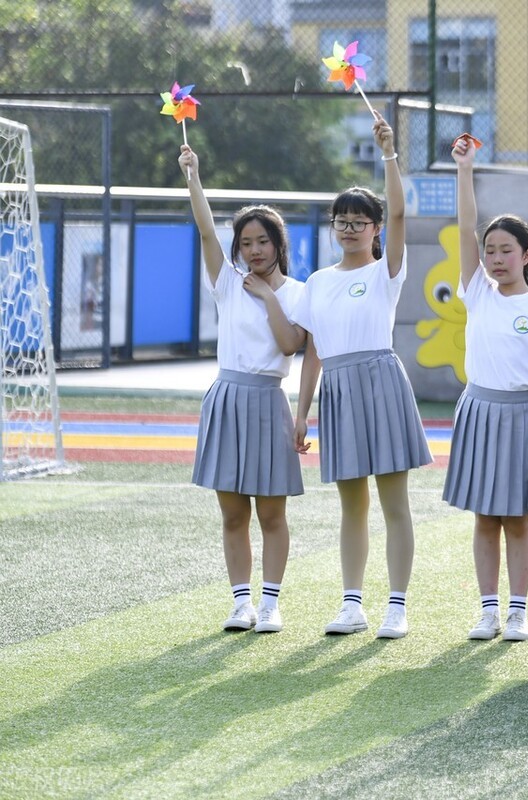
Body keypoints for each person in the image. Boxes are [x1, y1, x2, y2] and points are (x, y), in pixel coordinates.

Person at [292, 113, 432, 639]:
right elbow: (312, 353)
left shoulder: (385, 271)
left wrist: (390, 153)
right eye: (341, 221)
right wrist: (301, 413)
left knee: (394, 500)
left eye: (359, 221)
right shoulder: (318, 282)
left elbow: (400, 211)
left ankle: (397, 605)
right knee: (352, 502)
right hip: (339, 391)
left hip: (380, 378)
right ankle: (352, 605)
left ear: (374, 229)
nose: (349, 228)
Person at [446, 136, 528, 642]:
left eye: (506, 251)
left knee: (517, 518)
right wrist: (464, 169)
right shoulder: (477, 290)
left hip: (524, 416)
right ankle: (488, 610)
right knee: (485, 517)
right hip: (478, 410)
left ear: (527, 255)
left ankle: (518, 611)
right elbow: (463, 226)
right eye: (489, 250)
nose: (496, 258)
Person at [179, 144, 305, 634]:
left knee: (272, 514)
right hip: (226, 401)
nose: (254, 250)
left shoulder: (296, 292)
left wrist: (270, 298)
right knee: (233, 514)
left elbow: (291, 345)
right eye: (247, 242)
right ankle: (241, 603)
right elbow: (206, 229)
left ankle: (270, 604)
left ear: (278, 244)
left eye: (263, 241)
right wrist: (194, 176)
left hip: (268, 401)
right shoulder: (227, 283)